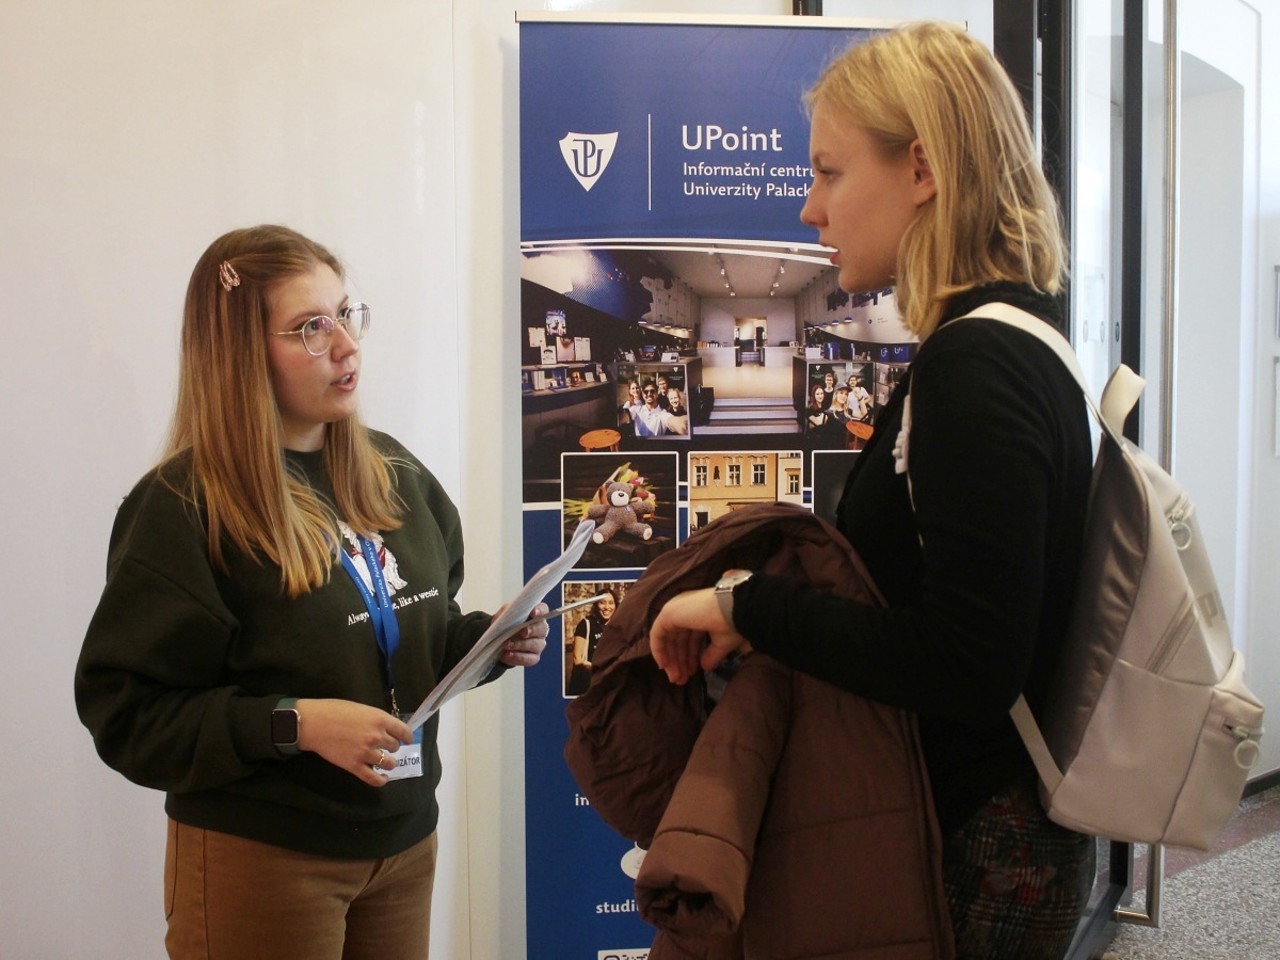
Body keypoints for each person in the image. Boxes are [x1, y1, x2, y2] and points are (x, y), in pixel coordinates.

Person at [647, 23, 1095, 960]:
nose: (810, 208)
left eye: (829, 172)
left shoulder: (977, 365)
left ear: (921, 168)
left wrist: (750, 606)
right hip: (974, 830)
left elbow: (969, 665)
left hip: (974, 853)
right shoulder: (1009, 342)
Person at [74, 225, 548, 960]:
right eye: (310, 327)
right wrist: (295, 724)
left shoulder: (396, 475)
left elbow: (404, 640)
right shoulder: (184, 509)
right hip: (266, 857)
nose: (347, 346)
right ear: (241, 354)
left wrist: (484, 642)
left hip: (404, 844)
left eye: (346, 314)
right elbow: (128, 715)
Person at [566, 588, 618, 696]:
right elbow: (577, 659)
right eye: (602, 602)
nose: (607, 607)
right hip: (586, 687)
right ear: (596, 605)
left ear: (616, 606)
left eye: (611, 603)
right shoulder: (586, 625)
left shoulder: (616, 628)